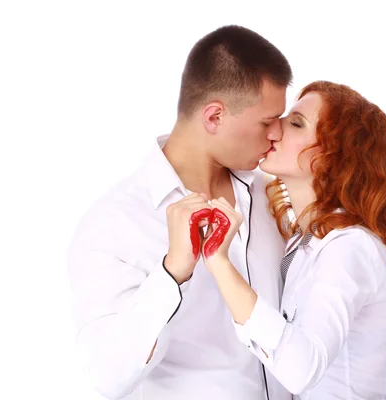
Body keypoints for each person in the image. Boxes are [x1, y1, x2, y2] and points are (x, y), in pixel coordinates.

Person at [67, 25, 294, 400]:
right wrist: (172, 273)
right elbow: (108, 376)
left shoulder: (272, 196)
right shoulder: (115, 224)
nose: (277, 134)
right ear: (214, 117)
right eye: (267, 122)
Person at [197, 80, 386, 399]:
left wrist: (219, 262)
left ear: (334, 156)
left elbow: (301, 370)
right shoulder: (302, 241)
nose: (275, 128)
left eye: (296, 123)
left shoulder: (349, 247)